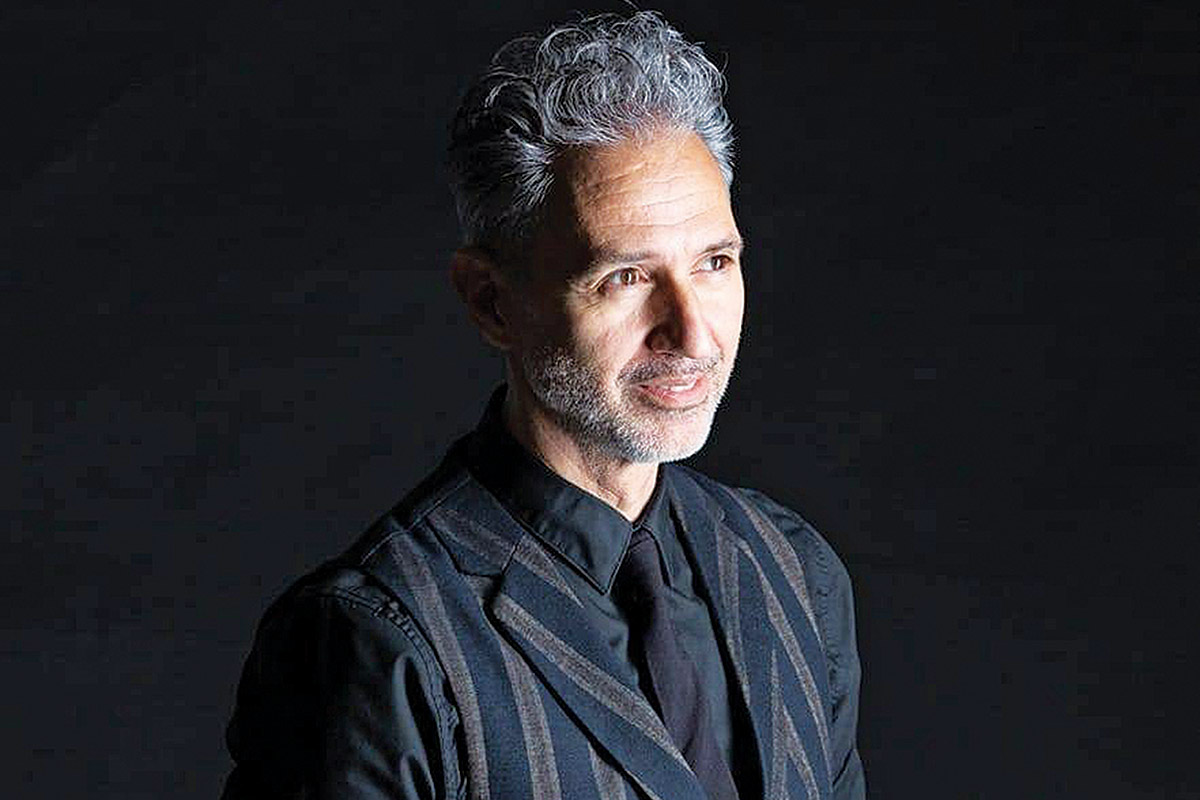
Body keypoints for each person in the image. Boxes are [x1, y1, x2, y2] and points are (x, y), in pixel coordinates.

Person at [222, 11, 865, 800]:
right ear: (491, 302)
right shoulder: (375, 642)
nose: (692, 332)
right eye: (625, 277)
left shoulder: (794, 571)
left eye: (714, 262)